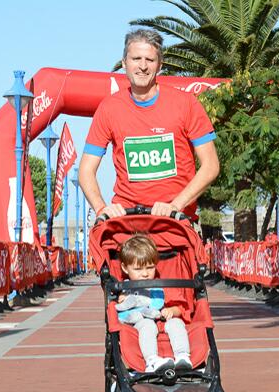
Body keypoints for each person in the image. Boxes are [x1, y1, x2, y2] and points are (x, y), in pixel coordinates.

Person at [78, 29, 220, 220]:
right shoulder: (108, 108)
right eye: (136, 58)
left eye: (150, 60)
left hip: (175, 221)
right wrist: (101, 208)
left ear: (159, 65)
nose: (142, 66)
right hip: (127, 221)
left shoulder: (186, 104)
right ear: (124, 63)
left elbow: (211, 166)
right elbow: (86, 170)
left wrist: (175, 205)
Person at [116, 234, 192, 373]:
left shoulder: (160, 285)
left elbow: (180, 308)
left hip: (163, 322)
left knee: (176, 323)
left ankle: (183, 357)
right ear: (125, 268)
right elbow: (120, 311)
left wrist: (171, 311)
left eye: (150, 268)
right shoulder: (124, 289)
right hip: (139, 323)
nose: (145, 274)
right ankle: (151, 360)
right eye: (138, 269)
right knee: (148, 325)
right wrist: (123, 298)